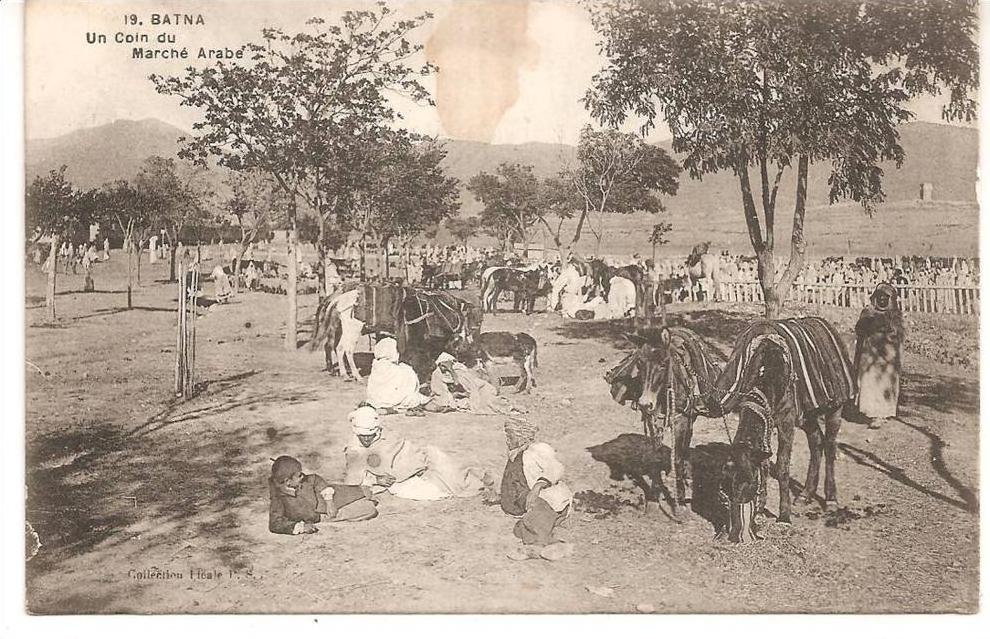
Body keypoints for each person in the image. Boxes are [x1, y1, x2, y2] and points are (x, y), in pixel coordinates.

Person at [343, 405, 491, 501]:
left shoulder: (386, 435)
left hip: (416, 463)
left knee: (439, 459)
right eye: (363, 435)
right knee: (433, 489)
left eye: (370, 434)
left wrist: (415, 462)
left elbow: (403, 448)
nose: (367, 438)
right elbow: (354, 477)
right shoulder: (353, 449)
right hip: (400, 479)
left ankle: (477, 479)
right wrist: (377, 480)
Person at [500, 417, 574, 561]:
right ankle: (544, 541)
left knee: (535, 519)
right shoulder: (515, 454)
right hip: (526, 501)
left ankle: (545, 547)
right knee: (520, 528)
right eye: (507, 436)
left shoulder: (537, 450)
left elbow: (556, 468)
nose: (507, 441)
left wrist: (538, 487)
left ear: (521, 437)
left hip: (545, 497)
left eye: (510, 437)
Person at [268, 455, 379, 535]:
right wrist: (300, 527)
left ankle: (362, 491)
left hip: (327, 500)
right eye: (299, 476)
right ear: (288, 481)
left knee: (358, 493)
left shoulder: (304, 480)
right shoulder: (279, 498)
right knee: (369, 509)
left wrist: (329, 502)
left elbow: (316, 479)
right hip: (320, 515)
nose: (303, 476)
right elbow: (275, 523)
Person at [854, 282, 905, 429]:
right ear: (875, 297)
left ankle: (882, 414)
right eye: (880, 296)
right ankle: (870, 412)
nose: (882, 300)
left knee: (885, 383)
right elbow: (860, 330)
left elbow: (900, 335)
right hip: (870, 354)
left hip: (888, 356)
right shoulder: (868, 312)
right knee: (870, 382)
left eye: (886, 297)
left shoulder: (895, 315)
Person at [430, 352, 520, 415]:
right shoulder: (441, 373)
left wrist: (451, 370)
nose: (441, 368)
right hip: (471, 393)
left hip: (483, 389)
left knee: (487, 403)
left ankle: (511, 407)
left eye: (443, 366)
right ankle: (510, 406)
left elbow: (462, 385)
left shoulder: (459, 371)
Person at [365, 337, 432, 413]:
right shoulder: (395, 369)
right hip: (394, 399)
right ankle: (392, 408)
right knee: (415, 397)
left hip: (376, 399)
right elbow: (406, 382)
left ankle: (383, 407)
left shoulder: (376, 365)